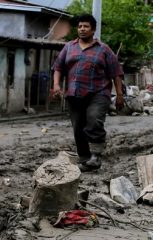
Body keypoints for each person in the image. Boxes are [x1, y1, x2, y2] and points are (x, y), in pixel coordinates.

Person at [52, 14, 124, 172]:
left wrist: (119, 95)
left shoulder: (103, 49)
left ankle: (96, 156)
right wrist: (56, 85)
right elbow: (58, 67)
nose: (82, 29)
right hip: (74, 94)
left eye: (86, 26)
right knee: (78, 127)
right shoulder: (69, 47)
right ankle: (85, 159)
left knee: (94, 120)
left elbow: (116, 73)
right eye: (80, 26)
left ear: (93, 30)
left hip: (98, 93)